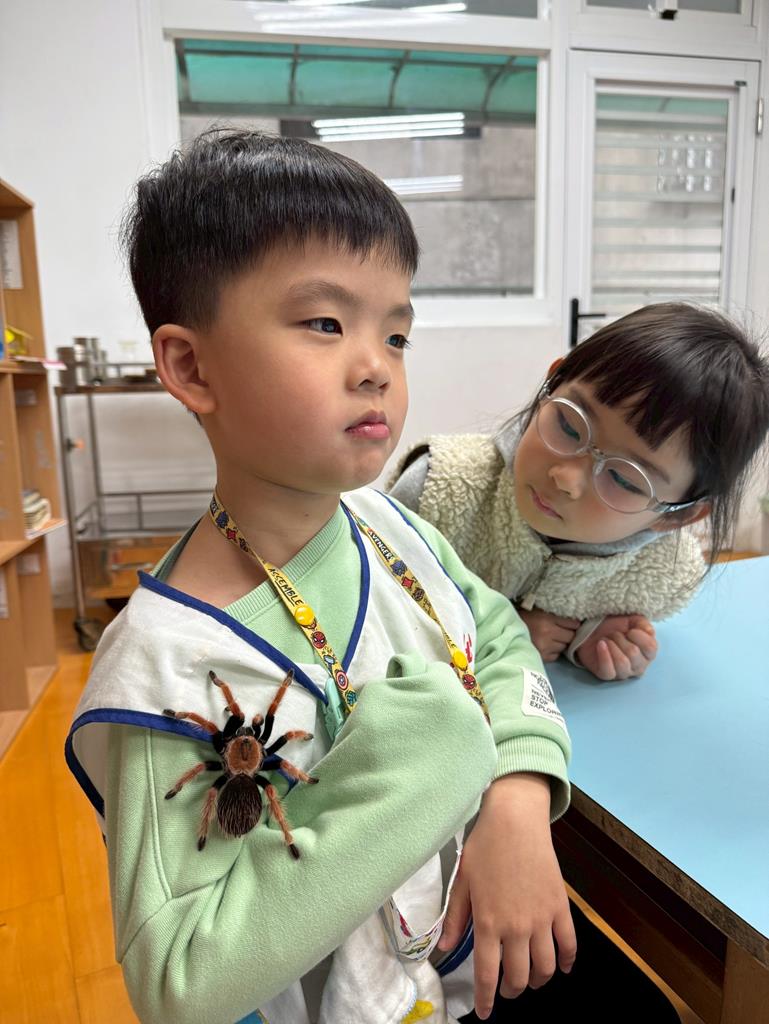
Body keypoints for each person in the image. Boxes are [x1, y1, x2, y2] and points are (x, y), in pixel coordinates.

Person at [65, 130, 576, 1024]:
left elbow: (494, 637)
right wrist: (424, 772)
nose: (375, 366)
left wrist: (516, 797)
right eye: (325, 324)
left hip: (466, 960)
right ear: (190, 366)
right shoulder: (163, 668)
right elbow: (180, 980)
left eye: (396, 333)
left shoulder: (388, 525)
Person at [390, 303, 769, 680]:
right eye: (570, 425)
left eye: (625, 479)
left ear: (679, 514)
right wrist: (505, 634)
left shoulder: (660, 571)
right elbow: (376, 619)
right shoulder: (436, 491)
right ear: (552, 384)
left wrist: (595, 637)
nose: (566, 478)